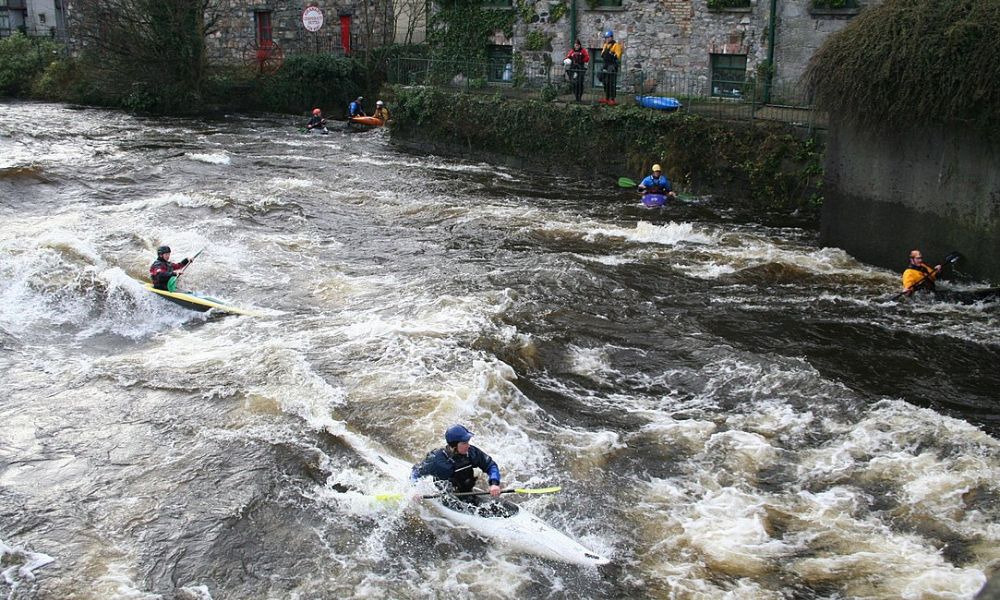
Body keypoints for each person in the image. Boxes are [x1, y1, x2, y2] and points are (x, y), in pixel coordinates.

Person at [410, 424, 502, 499]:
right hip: (446, 496)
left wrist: (494, 484)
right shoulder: (436, 460)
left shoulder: (471, 453)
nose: (468, 446)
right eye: (464, 443)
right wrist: (415, 490)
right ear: (454, 446)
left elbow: (490, 465)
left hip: (465, 490)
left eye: (468, 442)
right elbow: (416, 472)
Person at [599, 31, 623, 106]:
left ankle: (612, 99)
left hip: (612, 65)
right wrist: (606, 53)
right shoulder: (605, 45)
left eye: (608, 37)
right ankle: (606, 97)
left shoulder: (616, 45)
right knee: (604, 80)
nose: (607, 39)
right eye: (606, 38)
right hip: (606, 64)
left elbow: (617, 55)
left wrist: (612, 54)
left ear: (611, 37)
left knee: (611, 82)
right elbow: (602, 54)